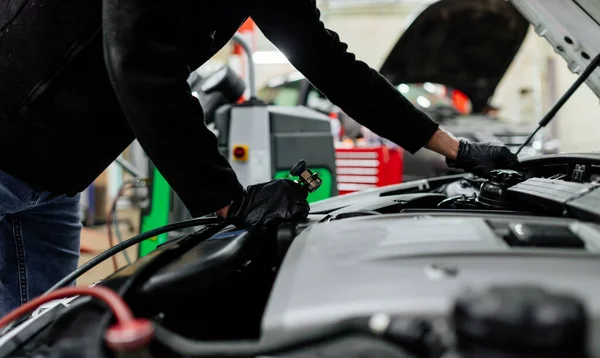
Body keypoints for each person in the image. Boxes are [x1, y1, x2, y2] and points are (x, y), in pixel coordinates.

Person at [0, 0, 520, 317]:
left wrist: (453, 149)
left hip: (54, 177)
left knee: (30, 332)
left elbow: (328, 60)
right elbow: (138, 57)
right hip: (9, 138)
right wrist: (227, 201)